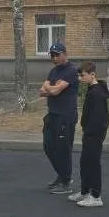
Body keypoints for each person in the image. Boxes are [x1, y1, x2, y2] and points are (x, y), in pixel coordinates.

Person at [39, 42, 80, 194]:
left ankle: (66, 182)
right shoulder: (54, 71)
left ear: (65, 54)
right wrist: (52, 88)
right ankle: (62, 175)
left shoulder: (71, 71)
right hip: (52, 114)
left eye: (57, 54)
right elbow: (41, 92)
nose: (54, 58)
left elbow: (54, 91)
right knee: (48, 146)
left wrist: (49, 87)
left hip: (66, 115)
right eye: (52, 55)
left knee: (63, 149)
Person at [68, 61, 109, 207]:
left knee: (93, 163)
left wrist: (91, 132)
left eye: (83, 75)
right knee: (85, 162)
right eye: (79, 75)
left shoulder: (97, 93)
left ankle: (96, 196)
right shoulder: (92, 89)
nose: (80, 78)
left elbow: (100, 118)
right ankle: (85, 191)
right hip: (89, 133)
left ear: (93, 74)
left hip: (94, 135)